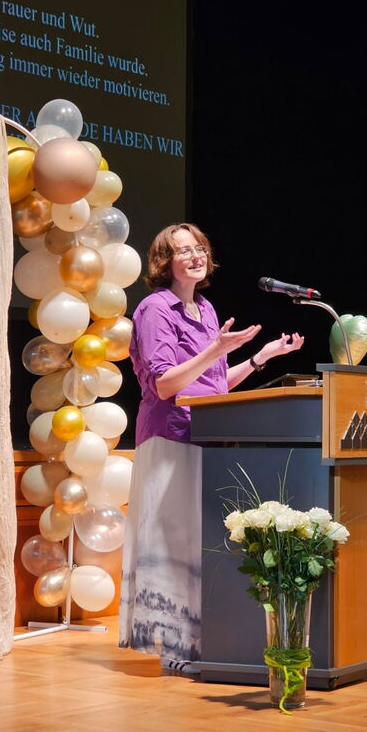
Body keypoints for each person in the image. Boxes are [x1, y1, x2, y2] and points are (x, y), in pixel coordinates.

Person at [118, 223, 304, 672]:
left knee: (198, 542)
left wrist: (260, 357)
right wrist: (215, 349)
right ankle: (171, 649)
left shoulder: (203, 308)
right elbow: (166, 384)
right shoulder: (154, 309)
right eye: (183, 250)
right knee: (172, 542)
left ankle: (199, 642)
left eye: (199, 248)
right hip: (171, 436)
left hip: (208, 436)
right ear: (165, 262)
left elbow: (213, 386)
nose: (195, 255)